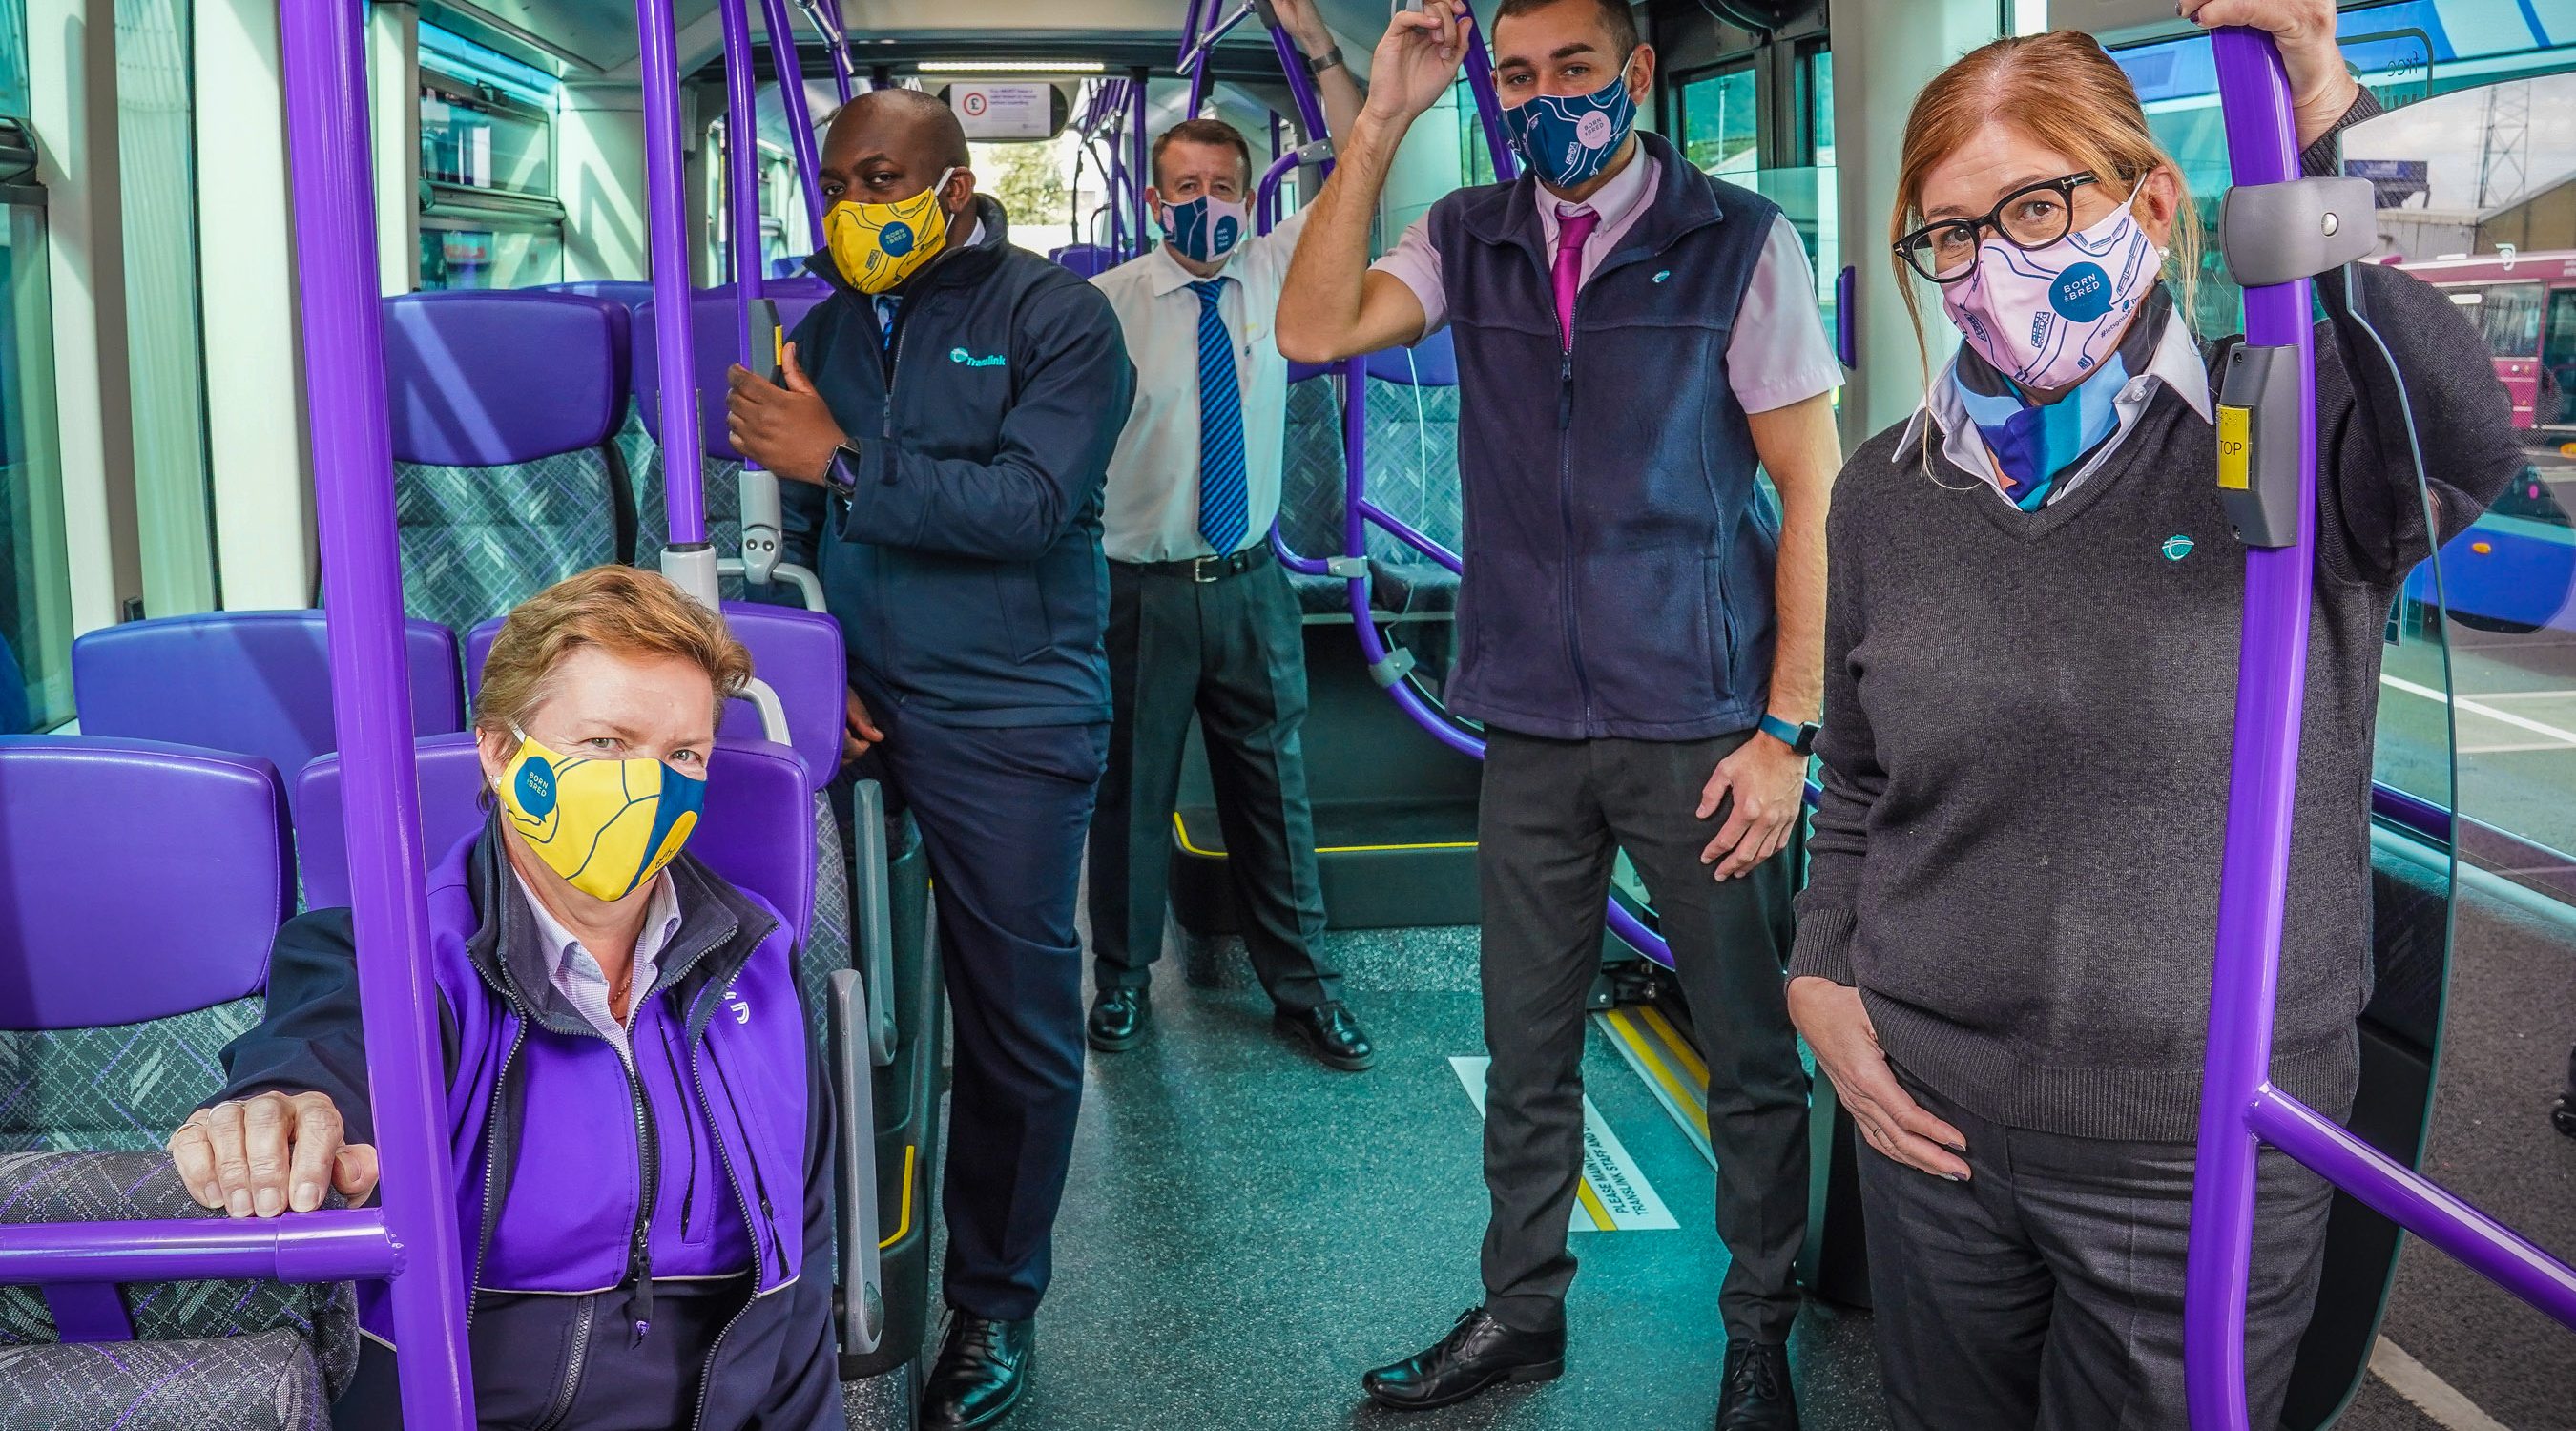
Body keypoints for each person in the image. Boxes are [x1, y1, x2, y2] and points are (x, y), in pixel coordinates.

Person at [1786, 6, 2523, 1428]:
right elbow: (1865, 785)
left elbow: (2467, 438)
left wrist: (2321, 121)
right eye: (1952, 232)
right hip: (1926, 1113)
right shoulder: (1886, 489)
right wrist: (1824, 978)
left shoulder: (2294, 437)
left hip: (2200, 1143)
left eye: (2042, 203)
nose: (1999, 262)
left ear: (2156, 200)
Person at [1276, 1, 1844, 1423]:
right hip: (1529, 716)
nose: (1549, 101)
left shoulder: (1734, 245)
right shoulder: (1470, 236)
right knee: (1526, 1046)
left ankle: (1758, 1330)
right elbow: (1312, 325)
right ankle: (1523, 1315)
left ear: (1638, 76)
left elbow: (1812, 493)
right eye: (1518, 78)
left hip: (1703, 723)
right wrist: (1386, 115)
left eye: (1575, 71)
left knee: (1749, 1054)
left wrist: (1787, 733)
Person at [168, 566, 839, 1431]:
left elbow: (803, 1269)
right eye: (605, 744)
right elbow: (324, 1059)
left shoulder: (756, 963)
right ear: (501, 751)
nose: (649, 784)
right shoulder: (395, 956)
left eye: (683, 756)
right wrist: (279, 1113)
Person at [724, 86, 1135, 1430]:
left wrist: (842, 461)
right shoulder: (825, 331)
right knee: (782, 975)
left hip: (1014, 714)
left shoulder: (1056, 320)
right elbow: (778, 538)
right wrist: (811, 664)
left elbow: (1029, 505)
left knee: (1014, 1020)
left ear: (952, 188)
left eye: (882, 180)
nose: (857, 208)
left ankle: (994, 1307)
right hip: (857, 711)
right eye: (838, 186)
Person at [1084, 0, 1371, 1070]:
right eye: (1187, 190)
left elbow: (1360, 160)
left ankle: (1305, 989)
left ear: (1248, 199)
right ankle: (1120, 983)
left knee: (1273, 793)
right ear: (1155, 202)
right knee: (1131, 796)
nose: (1207, 205)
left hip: (1252, 582)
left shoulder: (1277, 272)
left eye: (1224, 189)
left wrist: (1324, 53)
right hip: (1140, 589)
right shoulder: (1105, 306)